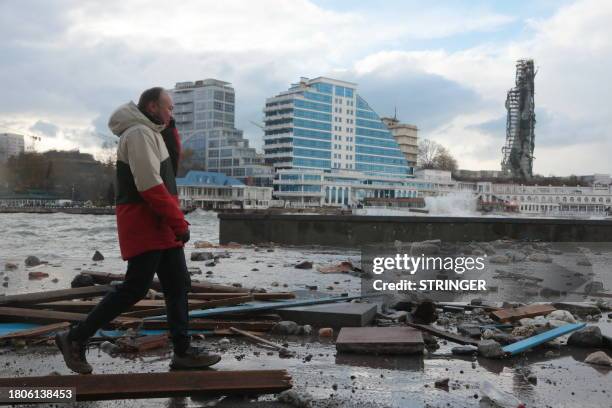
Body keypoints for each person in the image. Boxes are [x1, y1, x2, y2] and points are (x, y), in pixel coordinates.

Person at [55, 87, 221, 374]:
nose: (172, 114)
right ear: (153, 106)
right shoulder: (138, 134)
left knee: (178, 285)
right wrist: (178, 221)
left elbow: (169, 168)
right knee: (135, 288)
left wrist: (171, 128)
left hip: (160, 224)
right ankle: (74, 337)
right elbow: (149, 185)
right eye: (169, 108)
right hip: (147, 223)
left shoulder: (151, 133)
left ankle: (182, 352)